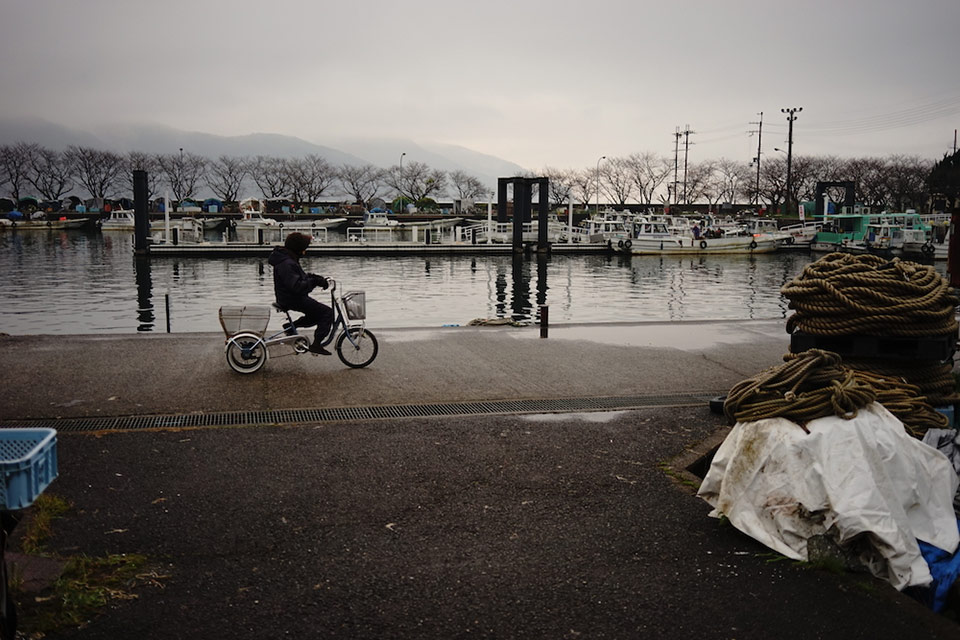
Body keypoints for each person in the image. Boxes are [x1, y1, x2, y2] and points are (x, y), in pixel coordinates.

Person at [268, 232, 334, 355]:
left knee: (317, 313)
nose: (305, 252)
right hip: (292, 298)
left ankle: (290, 327)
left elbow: (301, 277)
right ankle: (317, 345)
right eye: (304, 249)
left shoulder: (288, 259)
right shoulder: (286, 263)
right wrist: (314, 282)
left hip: (290, 297)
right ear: (297, 248)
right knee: (327, 313)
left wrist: (318, 279)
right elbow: (297, 286)